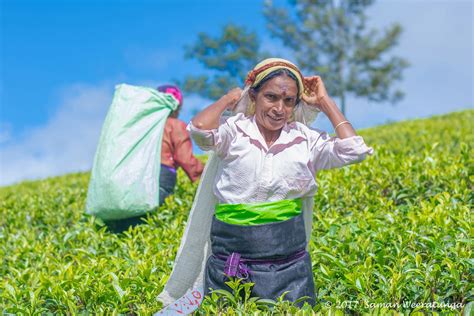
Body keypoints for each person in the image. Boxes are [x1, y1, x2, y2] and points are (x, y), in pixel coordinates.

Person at [157, 58, 373, 307]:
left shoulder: (304, 139)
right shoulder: (235, 131)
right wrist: (230, 98)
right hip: (232, 256)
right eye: (271, 97)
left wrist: (324, 102)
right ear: (254, 96)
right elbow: (200, 130)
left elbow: (353, 150)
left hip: (288, 263)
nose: (279, 108)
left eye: (288, 101)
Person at [105, 85, 204, 233]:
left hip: (132, 176)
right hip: (161, 175)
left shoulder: (140, 126)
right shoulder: (174, 125)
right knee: (148, 222)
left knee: (128, 224)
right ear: (175, 107)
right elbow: (185, 159)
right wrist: (205, 178)